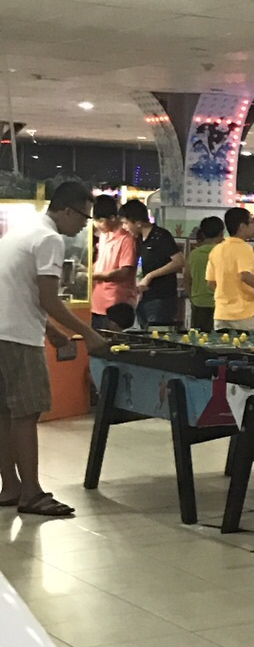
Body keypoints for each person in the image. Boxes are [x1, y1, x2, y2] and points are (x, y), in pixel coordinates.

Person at [0, 179, 107, 517]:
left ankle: (11, 486)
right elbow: (48, 298)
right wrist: (87, 332)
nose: (84, 225)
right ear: (66, 211)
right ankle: (31, 493)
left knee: (4, 414)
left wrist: (51, 330)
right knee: (26, 414)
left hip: (4, 332)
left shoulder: (22, 231)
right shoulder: (50, 239)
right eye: (84, 217)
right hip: (19, 339)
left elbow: (18, 291)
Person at [207, 206, 254, 332]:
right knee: (251, 345)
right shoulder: (244, 248)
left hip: (221, 314)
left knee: (224, 345)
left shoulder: (216, 250)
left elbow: (210, 283)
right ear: (242, 227)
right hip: (246, 313)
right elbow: (245, 275)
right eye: (252, 222)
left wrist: (227, 295)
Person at [121, 198, 185, 330]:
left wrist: (150, 276)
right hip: (144, 297)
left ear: (138, 223)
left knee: (157, 333)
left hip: (162, 298)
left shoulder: (161, 236)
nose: (124, 227)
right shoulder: (138, 239)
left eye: (126, 223)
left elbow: (179, 261)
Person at [89, 195, 137, 330]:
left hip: (115, 305)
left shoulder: (127, 239)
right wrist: (89, 269)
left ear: (112, 218)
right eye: (94, 220)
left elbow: (124, 272)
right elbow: (102, 262)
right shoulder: (104, 236)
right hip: (96, 302)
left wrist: (93, 276)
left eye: (100, 220)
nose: (96, 224)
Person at [187, 215, 223, 330]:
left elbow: (187, 279)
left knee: (198, 337)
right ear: (221, 233)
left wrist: (192, 297)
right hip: (219, 304)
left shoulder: (193, 254)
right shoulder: (223, 253)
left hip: (198, 303)